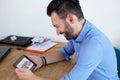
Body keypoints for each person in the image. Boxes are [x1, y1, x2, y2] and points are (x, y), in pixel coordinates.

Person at [15, 0, 119, 80]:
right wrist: (42, 60)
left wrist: (31, 78)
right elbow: (65, 52)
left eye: (57, 26)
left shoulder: (93, 44)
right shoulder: (80, 31)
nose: (57, 32)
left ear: (71, 19)